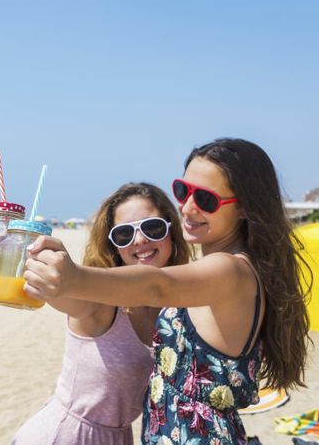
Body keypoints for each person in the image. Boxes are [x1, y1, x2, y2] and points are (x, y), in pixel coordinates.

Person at [23, 138, 312, 444]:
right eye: (182, 191)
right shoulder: (230, 270)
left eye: (206, 199)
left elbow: (158, 286)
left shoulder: (231, 270)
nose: (188, 207)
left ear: (244, 208)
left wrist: (74, 276)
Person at [12, 183, 191, 444]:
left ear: (171, 230)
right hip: (65, 436)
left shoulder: (178, 307)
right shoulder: (102, 304)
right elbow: (67, 295)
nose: (140, 240)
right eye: (124, 234)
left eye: (152, 228)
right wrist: (57, 275)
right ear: (114, 246)